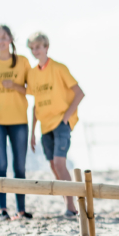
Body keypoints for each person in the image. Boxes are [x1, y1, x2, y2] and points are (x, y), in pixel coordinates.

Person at [26, 32, 85, 217]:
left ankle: (71, 206)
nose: (36, 50)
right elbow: (35, 103)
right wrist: (32, 132)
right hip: (44, 126)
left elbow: (79, 93)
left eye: (39, 46)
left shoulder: (59, 68)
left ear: (46, 47)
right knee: (53, 166)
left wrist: (66, 117)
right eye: (33, 48)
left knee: (60, 163)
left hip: (60, 123)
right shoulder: (33, 74)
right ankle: (69, 204)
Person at [0, 25, 32, 220]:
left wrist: (15, 86)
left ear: (11, 39)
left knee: (19, 167)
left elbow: (31, 90)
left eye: (4, 37)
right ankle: (2, 210)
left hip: (19, 120)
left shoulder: (23, 62)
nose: (0, 41)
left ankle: (21, 210)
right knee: (0, 166)